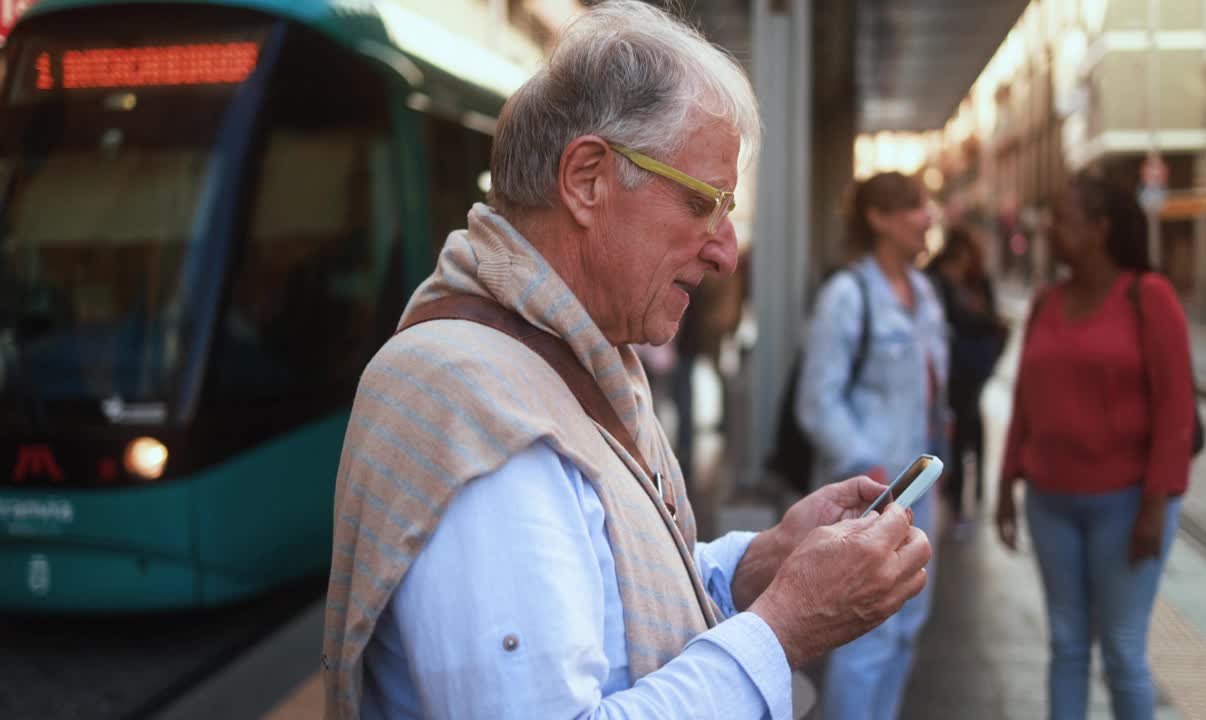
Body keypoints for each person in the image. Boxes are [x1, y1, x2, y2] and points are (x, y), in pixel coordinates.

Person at [322, 3, 933, 718]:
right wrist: (787, 627)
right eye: (704, 201)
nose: (726, 249)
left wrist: (763, 562)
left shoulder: (560, 353)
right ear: (586, 178)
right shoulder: (479, 412)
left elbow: (614, 601)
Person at [995, 175, 1195, 720]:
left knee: (1124, 651)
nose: (1050, 228)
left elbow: (1176, 410)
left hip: (1127, 504)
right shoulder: (1046, 301)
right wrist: (1007, 482)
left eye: (1063, 217)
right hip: (1050, 502)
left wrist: (1157, 504)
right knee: (1066, 643)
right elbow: (1027, 400)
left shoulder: (1148, 296)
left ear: (1101, 228)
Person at [794, 172, 949, 720]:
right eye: (913, 207)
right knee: (868, 640)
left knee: (907, 628)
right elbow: (817, 402)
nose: (926, 218)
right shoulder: (848, 295)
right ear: (878, 219)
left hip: (920, 491)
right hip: (876, 494)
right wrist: (870, 465)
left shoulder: (924, 293)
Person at [925, 225, 1007, 532]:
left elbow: (988, 321)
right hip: (952, 372)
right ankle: (957, 497)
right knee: (958, 434)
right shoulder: (937, 281)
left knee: (969, 428)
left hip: (971, 371)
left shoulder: (977, 282)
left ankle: (971, 496)